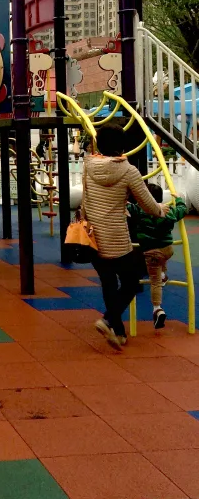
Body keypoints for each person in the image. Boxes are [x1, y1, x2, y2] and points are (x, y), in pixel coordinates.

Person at [84, 124, 169, 349]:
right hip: (116, 238)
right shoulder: (128, 170)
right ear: (122, 146)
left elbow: (85, 199)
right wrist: (161, 209)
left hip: (92, 237)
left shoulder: (88, 166)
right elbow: (147, 202)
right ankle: (108, 319)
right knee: (131, 281)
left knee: (109, 282)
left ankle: (118, 333)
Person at [128, 182, 187, 330]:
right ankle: (163, 275)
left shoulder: (139, 210)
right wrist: (179, 199)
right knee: (161, 262)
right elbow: (182, 209)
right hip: (167, 250)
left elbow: (125, 205)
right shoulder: (168, 211)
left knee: (154, 282)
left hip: (152, 251)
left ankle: (157, 309)